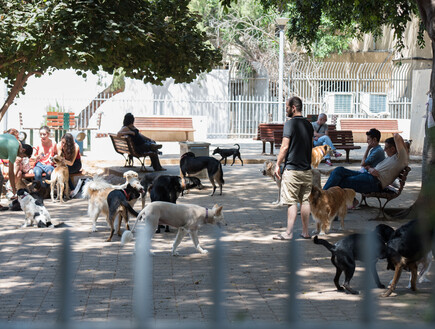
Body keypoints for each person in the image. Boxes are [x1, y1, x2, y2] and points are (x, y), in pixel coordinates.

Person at [273, 96, 314, 240]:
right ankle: (305, 232)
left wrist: (278, 164)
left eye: (287, 107)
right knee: (305, 201)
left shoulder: (290, 124)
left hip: (293, 170)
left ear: (293, 108)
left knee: (291, 202)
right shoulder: (309, 125)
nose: (286, 110)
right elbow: (310, 145)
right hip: (307, 170)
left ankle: (289, 233)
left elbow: (284, 146)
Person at [323, 133, 409, 196]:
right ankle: (321, 198)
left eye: (386, 148)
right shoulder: (393, 157)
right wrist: (370, 169)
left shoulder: (400, 158)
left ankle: (320, 199)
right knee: (339, 170)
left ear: (393, 149)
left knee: (340, 181)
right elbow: (365, 165)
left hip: (374, 182)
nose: (384, 150)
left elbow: (397, 136)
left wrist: (396, 137)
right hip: (368, 176)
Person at [0, 133, 32, 210]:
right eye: (23, 156)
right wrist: (14, 190)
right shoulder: (14, 148)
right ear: (23, 150)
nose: (21, 157)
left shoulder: (15, 141)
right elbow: (11, 172)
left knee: (0, 178)